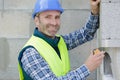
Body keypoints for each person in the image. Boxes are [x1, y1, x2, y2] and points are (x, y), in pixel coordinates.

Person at [18, 0, 105, 80]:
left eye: (57, 17)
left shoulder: (59, 41)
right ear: (37, 21)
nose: (54, 23)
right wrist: (87, 67)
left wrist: (94, 11)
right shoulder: (30, 52)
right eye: (48, 17)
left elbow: (86, 34)